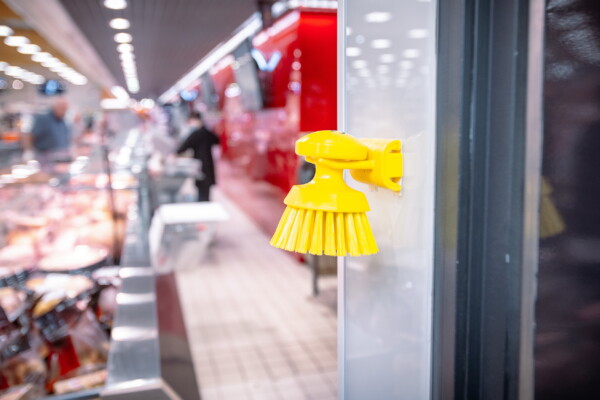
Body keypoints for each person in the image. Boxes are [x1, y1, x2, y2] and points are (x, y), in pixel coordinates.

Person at [176, 112, 220, 201]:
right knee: (205, 191)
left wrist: (175, 154)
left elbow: (184, 146)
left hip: (200, 166)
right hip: (208, 164)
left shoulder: (196, 134)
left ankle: (204, 208)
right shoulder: (207, 132)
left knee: (202, 190)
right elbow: (216, 140)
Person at [27, 98, 71, 162]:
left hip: (61, 158)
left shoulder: (62, 121)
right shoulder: (43, 119)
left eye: (65, 110)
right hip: (45, 157)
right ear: (55, 107)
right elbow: (31, 136)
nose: (64, 112)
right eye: (62, 109)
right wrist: (28, 151)